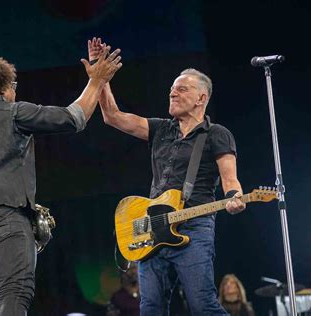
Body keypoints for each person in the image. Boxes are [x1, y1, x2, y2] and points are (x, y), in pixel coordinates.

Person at [0, 50, 122, 316]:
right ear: (3, 88)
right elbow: (73, 117)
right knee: (16, 292)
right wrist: (96, 81)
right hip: (5, 218)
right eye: (13, 86)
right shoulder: (12, 112)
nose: (15, 92)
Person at [87, 37, 246, 315]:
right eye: (172, 90)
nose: (173, 94)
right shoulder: (160, 129)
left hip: (195, 227)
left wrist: (234, 197)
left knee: (202, 305)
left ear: (202, 98)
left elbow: (230, 179)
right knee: (150, 308)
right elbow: (112, 116)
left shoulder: (217, 134)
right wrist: (100, 77)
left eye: (181, 90)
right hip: (153, 227)